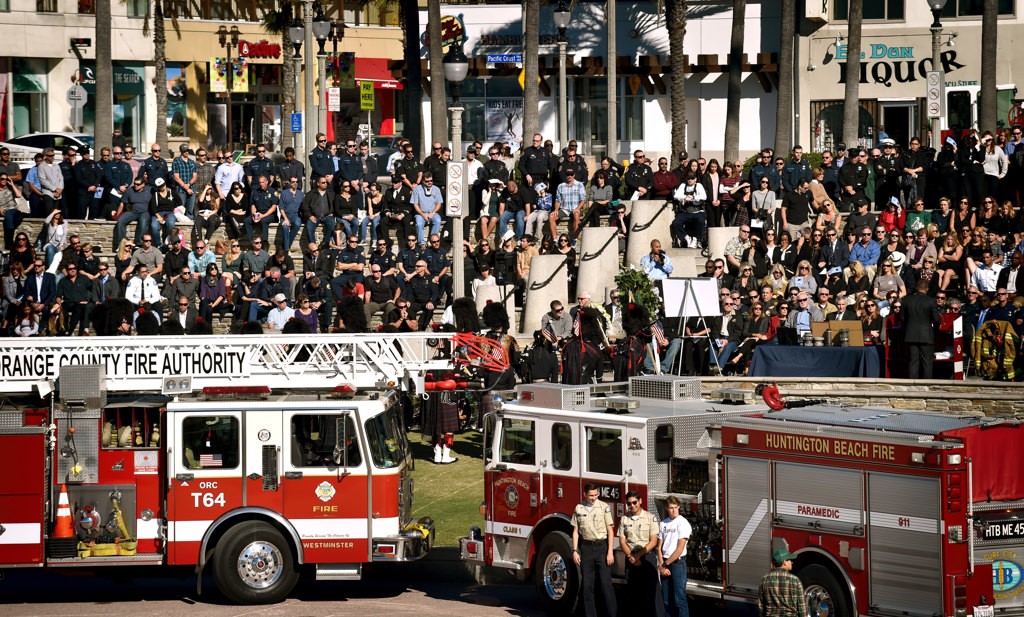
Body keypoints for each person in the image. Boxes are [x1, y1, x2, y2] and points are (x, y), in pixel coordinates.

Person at [572, 483, 617, 617]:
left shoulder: (604, 507)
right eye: (591, 495)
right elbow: (575, 531)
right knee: (587, 586)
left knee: (606, 585)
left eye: (596, 495)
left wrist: (610, 552)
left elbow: (610, 531)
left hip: (602, 548)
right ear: (584, 494)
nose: (593, 498)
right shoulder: (579, 508)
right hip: (586, 548)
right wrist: (575, 550)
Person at [618, 491, 663, 617]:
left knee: (652, 593)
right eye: (629, 504)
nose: (632, 506)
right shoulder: (624, 519)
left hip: (647, 557)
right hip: (631, 558)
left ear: (640, 501)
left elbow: (653, 541)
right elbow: (622, 541)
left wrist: (638, 556)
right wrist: (631, 556)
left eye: (634, 502)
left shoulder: (650, 517)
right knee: (633, 594)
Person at [657, 495, 691, 617]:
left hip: (677, 564)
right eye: (671, 508)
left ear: (679, 507)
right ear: (667, 508)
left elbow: (679, 549)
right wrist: (661, 565)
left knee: (679, 599)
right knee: (666, 600)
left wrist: (665, 565)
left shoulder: (683, 523)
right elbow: (659, 546)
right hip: (665, 563)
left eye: (675, 507)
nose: (673, 510)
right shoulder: (663, 523)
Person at [902, 279, 941, 379]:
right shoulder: (931, 301)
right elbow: (936, 319)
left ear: (916, 288)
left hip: (911, 334)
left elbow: (902, 318)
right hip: (926, 334)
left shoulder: (906, 300)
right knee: (927, 361)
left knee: (913, 361)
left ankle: (912, 384)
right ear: (927, 289)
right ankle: (927, 384)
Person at [758, 547, 803, 617]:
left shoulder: (765, 580)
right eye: (790, 560)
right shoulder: (795, 580)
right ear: (784, 562)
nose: (792, 562)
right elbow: (801, 607)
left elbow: (761, 606)